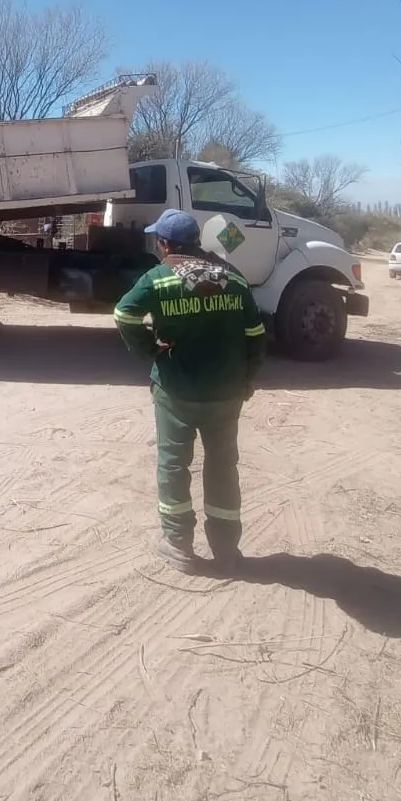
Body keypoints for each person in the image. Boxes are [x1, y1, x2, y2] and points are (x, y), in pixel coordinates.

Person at [113, 209, 266, 574]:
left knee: (173, 464)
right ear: (196, 242)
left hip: (177, 391)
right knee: (223, 466)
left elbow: (124, 314)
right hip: (226, 392)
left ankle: (178, 543)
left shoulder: (159, 278)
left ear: (164, 244)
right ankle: (226, 549)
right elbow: (256, 334)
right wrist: (249, 377)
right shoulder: (235, 279)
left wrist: (151, 350)